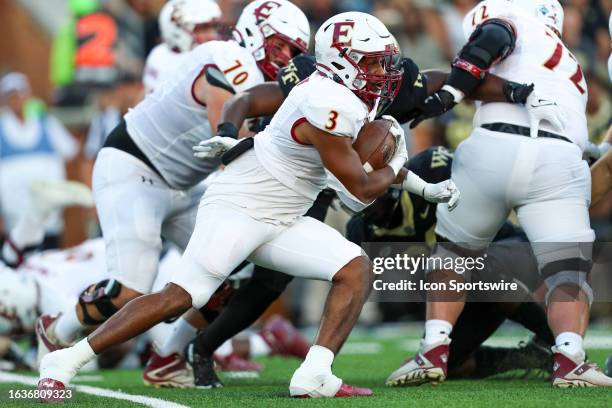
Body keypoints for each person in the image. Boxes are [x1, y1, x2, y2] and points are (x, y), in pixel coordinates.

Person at [37, 11, 452, 399]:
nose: (383, 74)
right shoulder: (327, 103)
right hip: (241, 206)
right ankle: (66, 359)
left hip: (282, 215)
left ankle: (315, 374)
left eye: (384, 63)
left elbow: (354, 179)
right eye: (374, 63)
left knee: (354, 268)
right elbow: (358, 191)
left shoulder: (345, 94)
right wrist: (399, 160)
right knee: (182, 295)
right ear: (342, 61)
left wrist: (423, 186)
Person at [35, 0, 310, 387]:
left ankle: (170, 355)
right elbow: (229, 140)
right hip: (135, 168)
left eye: (294, 52)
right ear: (254, 34)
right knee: (131, 289)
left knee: (240, 267)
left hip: (184, 184)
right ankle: (57, 327)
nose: (285, 59)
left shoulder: (269, 82)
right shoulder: (227, 58)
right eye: (279, 46)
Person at [387, 0, 612, 388]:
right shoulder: (571, 64)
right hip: (559, 161)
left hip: (492, 147)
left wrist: (449, 95)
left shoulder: (510, 22)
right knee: (568, 269)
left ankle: (434, 349)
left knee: (452, 255)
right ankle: (570, 358)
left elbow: (491, 39)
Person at [0, 73, 79, 248]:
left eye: (19, 94)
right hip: (15, 220)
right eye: (10, 96)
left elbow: (71, 151)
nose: (16, 100)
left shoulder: (46, 122)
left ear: (27, 95)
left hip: (49, 221)